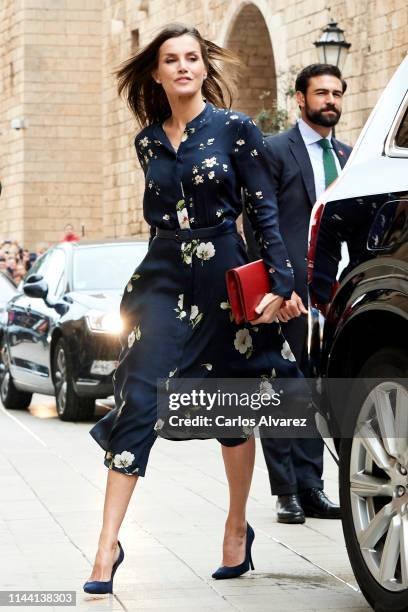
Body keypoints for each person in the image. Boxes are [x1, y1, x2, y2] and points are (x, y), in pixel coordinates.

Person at [84, 23, 303, 594]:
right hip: (160, 277)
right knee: (138, 396)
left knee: (230, 406)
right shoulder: (147, 142)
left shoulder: (237, 130)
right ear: (156, 74)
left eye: (191, 57)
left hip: (225, 278)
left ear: (204, 67)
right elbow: (162, 214)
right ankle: (106, 549)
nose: (182, 66)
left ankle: (236, 529)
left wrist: (279, 282)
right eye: (170, 59)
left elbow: (262, 213)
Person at [244, 64, 352, 524]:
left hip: (338, 294)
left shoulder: (349, 156)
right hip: (289, 294)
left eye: (336, 93)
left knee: (316, 391)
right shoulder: (273, 151)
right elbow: (257, 222)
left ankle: (313, 487)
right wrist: (275, 285)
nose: (330, 100)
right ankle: (286, 491)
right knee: (284, 389)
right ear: (300, 99)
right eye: (321, 92)